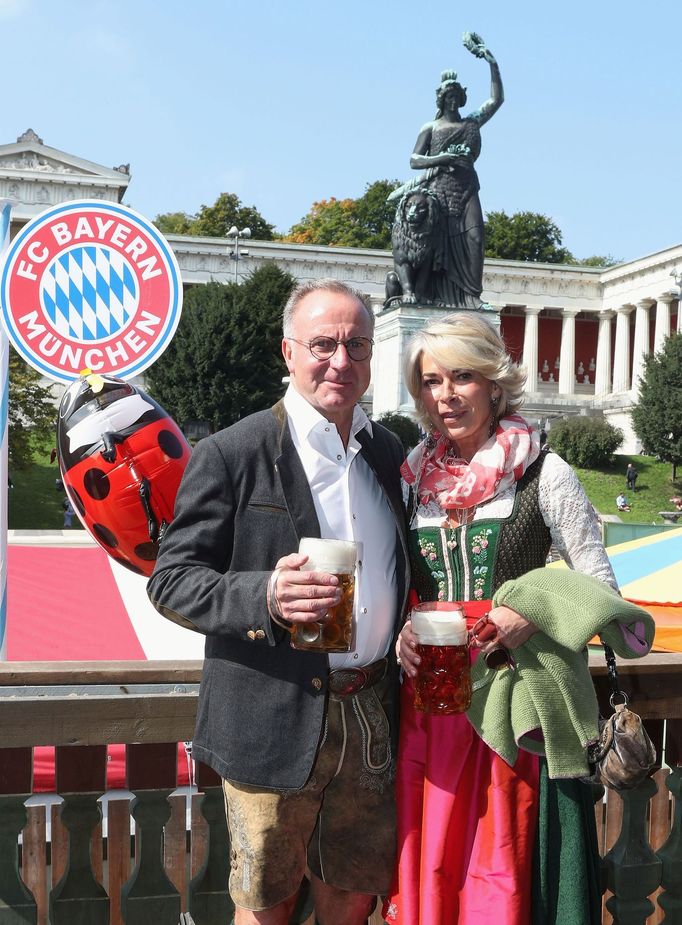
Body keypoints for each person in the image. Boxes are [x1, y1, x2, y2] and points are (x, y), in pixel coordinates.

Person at [147, 279, 409, 925]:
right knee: (266, 907)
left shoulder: (386, 452)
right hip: (272, 716)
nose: (341, 360)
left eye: (356, 344)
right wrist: (263, 592)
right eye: (324, 343)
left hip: (370, 716)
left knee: (350, 903)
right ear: (288, 350)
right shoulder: (231, 452)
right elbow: (172, 579)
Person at [384, 312, 623, 925]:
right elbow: (407, 588)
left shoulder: (546, 473)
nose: (446, 395)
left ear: (495, 383)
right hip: (432, 709)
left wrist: (532, 611)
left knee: (506, 861)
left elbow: (599, 584)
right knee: (436, 861)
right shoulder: (413, 481)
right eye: (432, 381)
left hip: (515, 708)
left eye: (463, 376)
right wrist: (402, 636)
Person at [389, 33, 503, 308]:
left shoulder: (472, 122)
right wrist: (441, 158)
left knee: (475, 237)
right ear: (442, 99)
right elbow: (414, 159)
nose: (453, 101)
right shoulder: (430, 127)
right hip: (438, 194)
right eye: (448, 96)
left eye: (457, 96)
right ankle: (439, 296)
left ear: (462, 98)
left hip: (466, 188)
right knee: (439, 250)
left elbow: (496, 100)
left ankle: (471, 297)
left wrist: (492, 63)